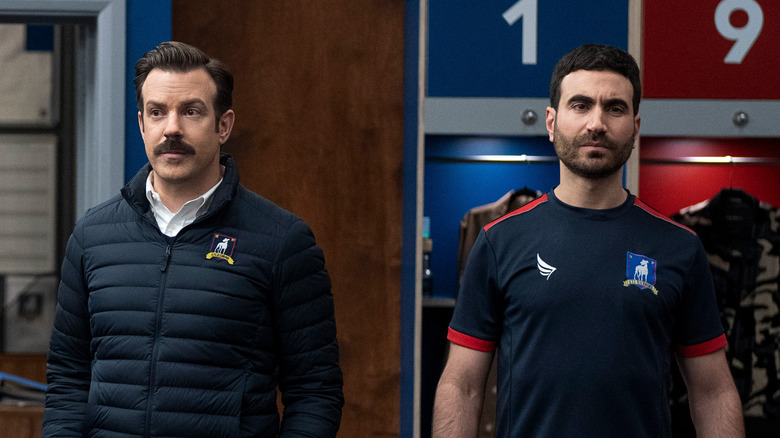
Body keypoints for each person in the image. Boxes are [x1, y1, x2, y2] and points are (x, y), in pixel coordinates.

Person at [432, 44, 744, 438]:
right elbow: (461, 385)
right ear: (551, 121)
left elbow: (713, 392)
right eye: (580, 105)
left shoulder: (679, 246)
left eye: (614, 108)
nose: (596, 123)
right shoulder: (500, 241)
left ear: (635, 126)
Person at [43, 41, 344, 437]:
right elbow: (68, 380)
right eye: (157, 112)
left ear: (223, 126)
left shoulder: (282, 241)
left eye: (191, 111)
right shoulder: (92, 237)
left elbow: (315, 391)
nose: (172, 128)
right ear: (141, 124)